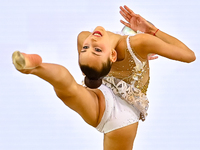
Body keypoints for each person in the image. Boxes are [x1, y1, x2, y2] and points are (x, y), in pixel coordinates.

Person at [12, 5, 195, 150]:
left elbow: (89, 72)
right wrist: (152, 30)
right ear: (112, 56)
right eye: (96, 50)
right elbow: (189, 55)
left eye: (87, 49)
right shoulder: (141, 42)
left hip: (110, 103)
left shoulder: (85, 37)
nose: (90, 43)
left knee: (70, 90)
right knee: (71, 88)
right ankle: (35, 67)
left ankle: (35, 68)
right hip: (115, 106)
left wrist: (148, 34)